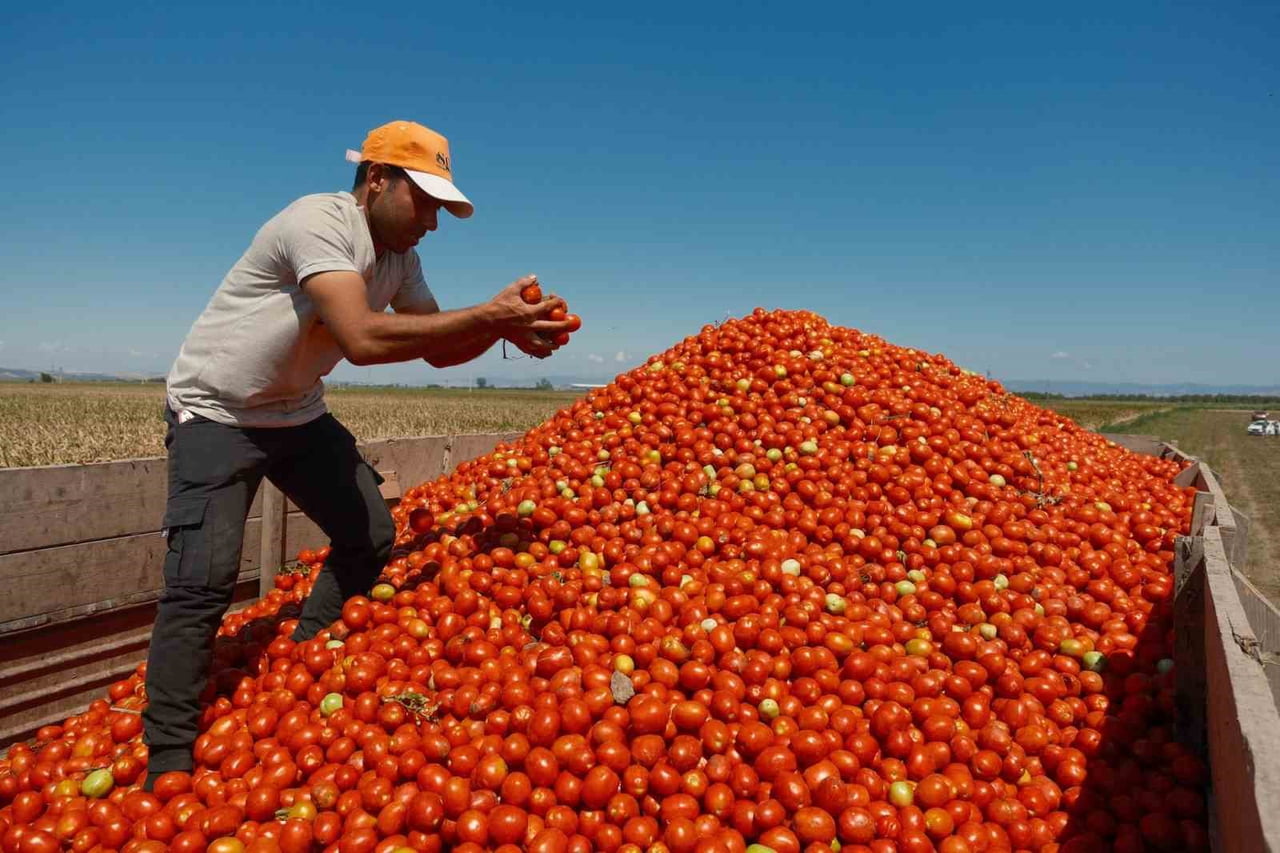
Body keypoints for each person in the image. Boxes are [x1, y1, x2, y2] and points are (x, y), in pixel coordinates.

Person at [141, 120, 573, 789]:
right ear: (377, 179)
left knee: (369, 533)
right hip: (218, 412)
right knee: (203, 578)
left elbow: (435, 347)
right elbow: (364, 337)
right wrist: (490, 316)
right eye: (423, 201)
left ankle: (310, 652)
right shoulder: (318, 222)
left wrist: (508, 330)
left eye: (440, 206)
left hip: (294, 409)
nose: (432, 221)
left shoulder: (401, 257)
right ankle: (166, 758)